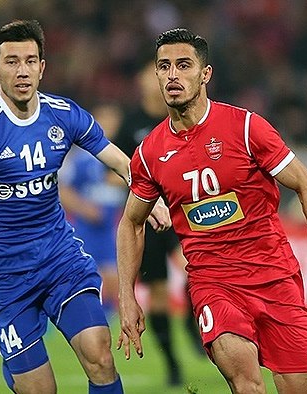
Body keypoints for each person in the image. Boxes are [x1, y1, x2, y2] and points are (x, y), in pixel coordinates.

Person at [0, 20, 169, 394]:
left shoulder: (62, 114)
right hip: (5, 277)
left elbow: (116, 158)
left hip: (59, 259)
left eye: (30, 61)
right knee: (40, 390)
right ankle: (18, 372)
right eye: (12, 61)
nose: (22, 71)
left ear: (42, 67)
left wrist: (151, 196)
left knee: (100, 354)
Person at [116, 28, 307, 394]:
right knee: (246, 382)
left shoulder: (246, 128)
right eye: (164, 67)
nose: (172, 75)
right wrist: (127, 296)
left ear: (205, 74)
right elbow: (132, 223)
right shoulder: (151, 152)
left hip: (274, 278)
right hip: (213, 284)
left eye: (183, 66)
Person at [115, 61, 204, 387]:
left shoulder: (178, 115)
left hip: (183, 212)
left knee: (198, 270)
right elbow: (117, 172)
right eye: (157, 72)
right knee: (160, 295)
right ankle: (172, 364)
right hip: (150, 221)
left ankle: (195, 325)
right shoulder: (132, 123)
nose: (164, 78)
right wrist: (141, 195)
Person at [59, 103, 127, 317]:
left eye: (113, 121)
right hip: (85, 228)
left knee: (113, 279)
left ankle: (105, 321)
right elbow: (62, 190)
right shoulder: (81, 159)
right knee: (81, 276)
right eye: (104, 121)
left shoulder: (120, 157)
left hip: (109, 229)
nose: (110, 126)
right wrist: (85, 209)